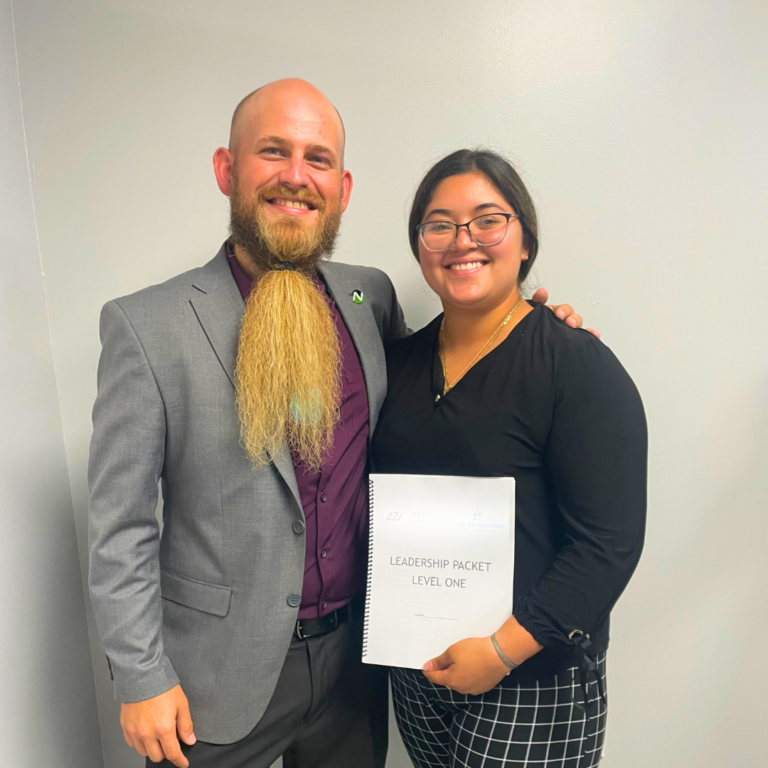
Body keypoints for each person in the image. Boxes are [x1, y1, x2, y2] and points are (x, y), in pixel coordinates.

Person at [87, 80, 588, 768]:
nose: (297, 176)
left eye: (317, 159)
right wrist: (141, 676)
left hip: (360, 664)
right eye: (273, 152)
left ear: (343, 187)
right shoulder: (146, 327)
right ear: (227, 170)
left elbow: (448, 387)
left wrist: (530, 328)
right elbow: (120, 525)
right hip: (217, 677)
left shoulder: (369, 297)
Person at [371, 149, 647, 768]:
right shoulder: (398, 365)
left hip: (531, 678)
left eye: (487, 220)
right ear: (421, 247)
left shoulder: (574, 364)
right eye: (439, 224)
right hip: (419, 668)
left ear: (524, 242)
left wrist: (499, 652)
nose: (462, 240)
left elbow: (608, 545)